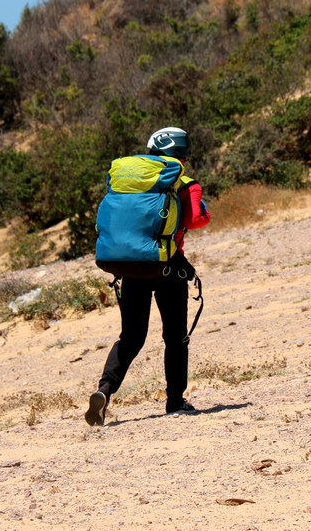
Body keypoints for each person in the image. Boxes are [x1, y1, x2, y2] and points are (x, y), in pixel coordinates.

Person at [85, 127, 210, 426]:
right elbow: (195, 220)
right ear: (182, 156)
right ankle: (175, 401)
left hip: (132, 269)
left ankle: (104, 390)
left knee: (130, 337)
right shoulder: (186, 183)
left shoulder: (130, 183)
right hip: (168, 268)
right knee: (175, 337)